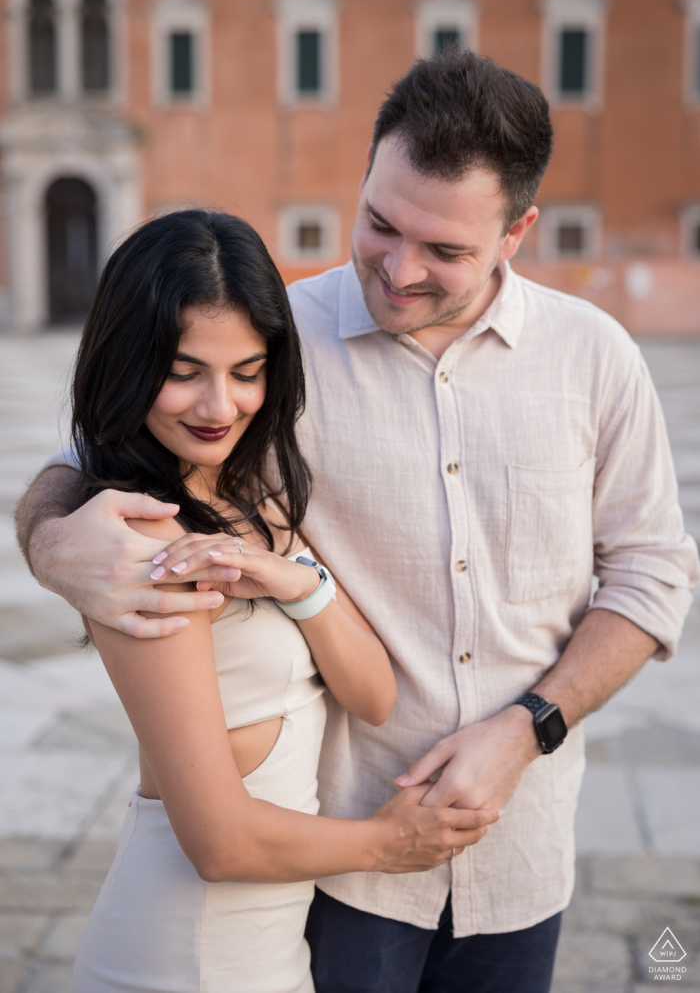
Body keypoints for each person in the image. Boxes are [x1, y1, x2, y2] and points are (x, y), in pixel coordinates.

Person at [17, 51, 699, 993]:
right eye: (379, 223)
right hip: (334, 866)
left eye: (446, 250)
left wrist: (528, 727)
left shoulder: (597, 357)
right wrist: (53, 541)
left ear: (519, 231)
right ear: (367, 174)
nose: (399, 268)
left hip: (523, 848)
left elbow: (655, 575)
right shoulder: (272, 344)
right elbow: (104, 447)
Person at [56, 209, 499, 993]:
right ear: (128, 362)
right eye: (185, 370)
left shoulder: (250, 496)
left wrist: (300, 581)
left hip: (266, 955)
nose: (219, 406)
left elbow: (373, 693)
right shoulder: (143, 542)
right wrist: (386, 842)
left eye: (247, 371)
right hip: (180, 958)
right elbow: (219, 843)